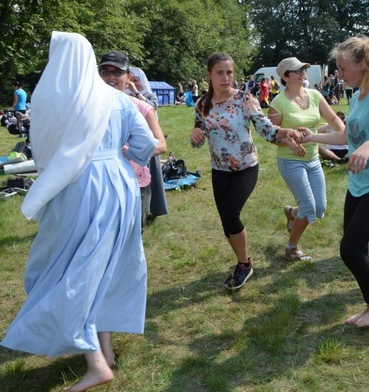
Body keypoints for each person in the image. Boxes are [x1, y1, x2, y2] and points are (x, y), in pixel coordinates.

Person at [1, 31, 158, 392]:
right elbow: (146, 144)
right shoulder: (118, 99)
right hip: (121, 185)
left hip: (80, 186)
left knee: (72, 267)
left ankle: (96, 361)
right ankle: (104, 347)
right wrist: (120, 160)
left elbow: (43, 152)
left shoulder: (57, 98)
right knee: (105, 264)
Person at [299, 36, 369, 327]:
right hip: (359, 184)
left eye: (343, 68)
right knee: (358, 249)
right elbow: (346, 136)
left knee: (350, 249)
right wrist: (312, 136)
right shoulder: (356, 96)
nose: (339, 74)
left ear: (363, 65)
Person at [189, 53, 299, 290]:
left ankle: (243, 265)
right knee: (226, 222)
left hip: (246, 167)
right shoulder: (202, 104)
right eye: (219, 72)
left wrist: (287, 132)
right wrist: (195, 137)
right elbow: (198, 137)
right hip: (220, 170)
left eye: (229, 72)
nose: (225, 77)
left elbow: (267, 130)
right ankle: (243, 262)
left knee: (231, 214)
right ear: (209, 74)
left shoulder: (244, 99)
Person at [269, 57, 344, 261]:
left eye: (303, 70)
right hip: (290, 161)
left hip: (313, 159)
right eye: (297, 71)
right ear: (285, 77)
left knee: (319, 207)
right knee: (309, 207)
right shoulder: (278, 103)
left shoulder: (314, 95)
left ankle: (293, 212)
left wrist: (346, 135)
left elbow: (333, 119)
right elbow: (272, 135)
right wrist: (289, 142)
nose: (303, 74)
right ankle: (291, 248)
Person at [98, 51, 167, 227]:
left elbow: (161, 145)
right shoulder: (89, 108)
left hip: (135, 184)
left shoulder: (142, 108)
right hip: (101, 185)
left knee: (132, 238)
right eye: (105, 72)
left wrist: (132, 153)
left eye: (117, 72)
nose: (110, 77)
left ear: (128, 76)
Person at [128, 65, 168, 220]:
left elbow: (152, 107)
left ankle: (155, 208)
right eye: (132, 79)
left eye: (137, 80)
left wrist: (137, 92)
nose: (134, 82)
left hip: (150, 140)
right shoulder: (123, 96)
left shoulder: (148, 95)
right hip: (133, 142)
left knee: (152, 177)